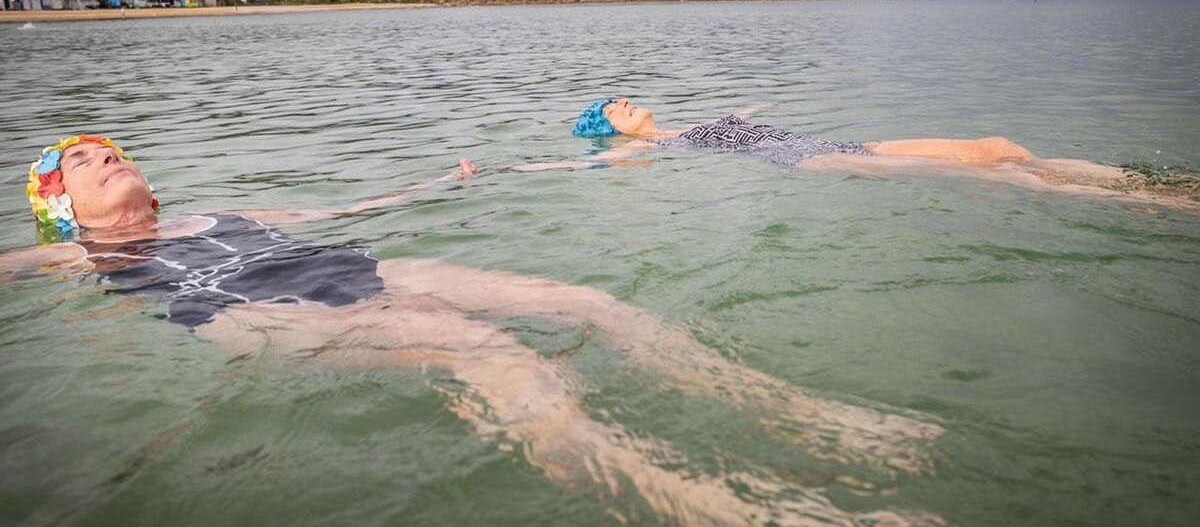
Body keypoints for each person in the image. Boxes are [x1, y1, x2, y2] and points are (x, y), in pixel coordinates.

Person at [5, 134, 943, 525]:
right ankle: (711, 504)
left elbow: (345, 207)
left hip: (339, 267)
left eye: (111, 149)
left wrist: (439, 186)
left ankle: (798, 416)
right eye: (81, 163)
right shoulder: (66, 257)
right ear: (62, 207)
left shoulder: (209, 211)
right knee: (484, 348)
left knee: (588, 302)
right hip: (251, 312)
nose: (102, 156)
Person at [568, 98, 1199, 208]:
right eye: (612, 108)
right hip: (811, 161)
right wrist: (482, 174)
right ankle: (1158, 205)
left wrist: (760, 104)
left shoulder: (691, 125)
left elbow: (747, 115)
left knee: (999, 147)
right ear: (612, 130)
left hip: (842, 143)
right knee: (1007, 177)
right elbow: (590, 167)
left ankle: (1151, 183)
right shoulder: (642, 149)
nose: (624, 101)